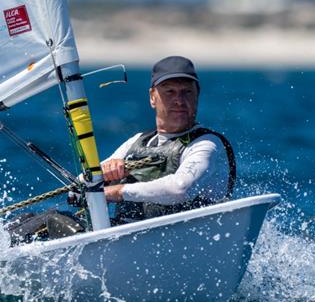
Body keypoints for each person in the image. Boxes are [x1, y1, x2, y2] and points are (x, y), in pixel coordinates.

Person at [101, 56, 236, 223]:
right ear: (152, 97)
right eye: (169, 92)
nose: (179, 101)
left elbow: (180, 188)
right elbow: (81, 185)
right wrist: (107, 172)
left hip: (191, 240)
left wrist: (118, 191)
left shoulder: (206, 144)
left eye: (186, 92)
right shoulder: (138, 142)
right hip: (128, 239)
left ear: (197, 95)